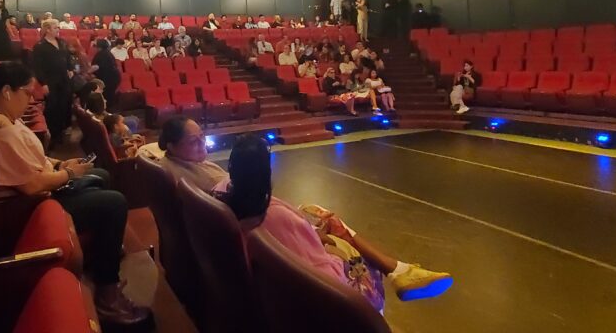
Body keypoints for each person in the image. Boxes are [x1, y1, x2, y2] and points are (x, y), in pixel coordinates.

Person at [0, 63, 149, 324]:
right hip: (25, 207)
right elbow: (30, 185)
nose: (32, 99)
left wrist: (60, 164)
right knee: (113, 203)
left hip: (31, 197)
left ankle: (105, 254)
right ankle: (107, 294)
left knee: (101, 178)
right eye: (27, 93)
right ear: (6, 92)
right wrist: (70, 175)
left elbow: (29, 159)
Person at [216, 136, 453, 310]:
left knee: (330, 221)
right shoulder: (274, 216)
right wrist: (334, 252)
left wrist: (311, 232)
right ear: (265, 172)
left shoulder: (221, 195)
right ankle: (397, 271)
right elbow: (328, 277)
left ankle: (399, 270)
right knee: (343, 238)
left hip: (269, 280)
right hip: (322, 302)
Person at [152, 116, 229, 191]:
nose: (202, 142)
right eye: (193, 141)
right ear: (171, 147)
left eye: (202, 136)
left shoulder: (168, 161)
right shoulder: (209, 180)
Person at [32, 19, 74, 146]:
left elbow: (68, 57)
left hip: (64, 79)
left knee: (64, 104)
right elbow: (37, 67)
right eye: (55, 28)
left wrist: (70, 69)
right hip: (50, 81)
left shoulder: (61, 42)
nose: (58, 30)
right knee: (53, 107)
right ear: (48, 30)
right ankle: (53, 135)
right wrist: (43, 83)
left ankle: (61, 131)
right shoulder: (40, 46)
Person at [91, 39, 121, 106]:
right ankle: (111, 111)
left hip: (107, 78)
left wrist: (87, 72)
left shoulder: (100, 54)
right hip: (115, 77)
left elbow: (96, 67)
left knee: (105, 96)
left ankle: (106, 111)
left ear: (99, 47)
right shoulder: (109, 53)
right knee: (110, 95)